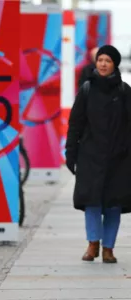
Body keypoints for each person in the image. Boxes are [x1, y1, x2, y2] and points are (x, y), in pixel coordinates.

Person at [66, 45, 131, 264]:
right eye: (100, 60)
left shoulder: (124, 91)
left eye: (108, 61)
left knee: (113, 204)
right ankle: (93, 243)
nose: (103, 64)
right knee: (92, 201)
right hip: (90, 156)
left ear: (114, 64)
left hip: (118, 157)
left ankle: (109, 248)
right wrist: (70, 153)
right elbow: (75, 124)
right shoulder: (86, 89)